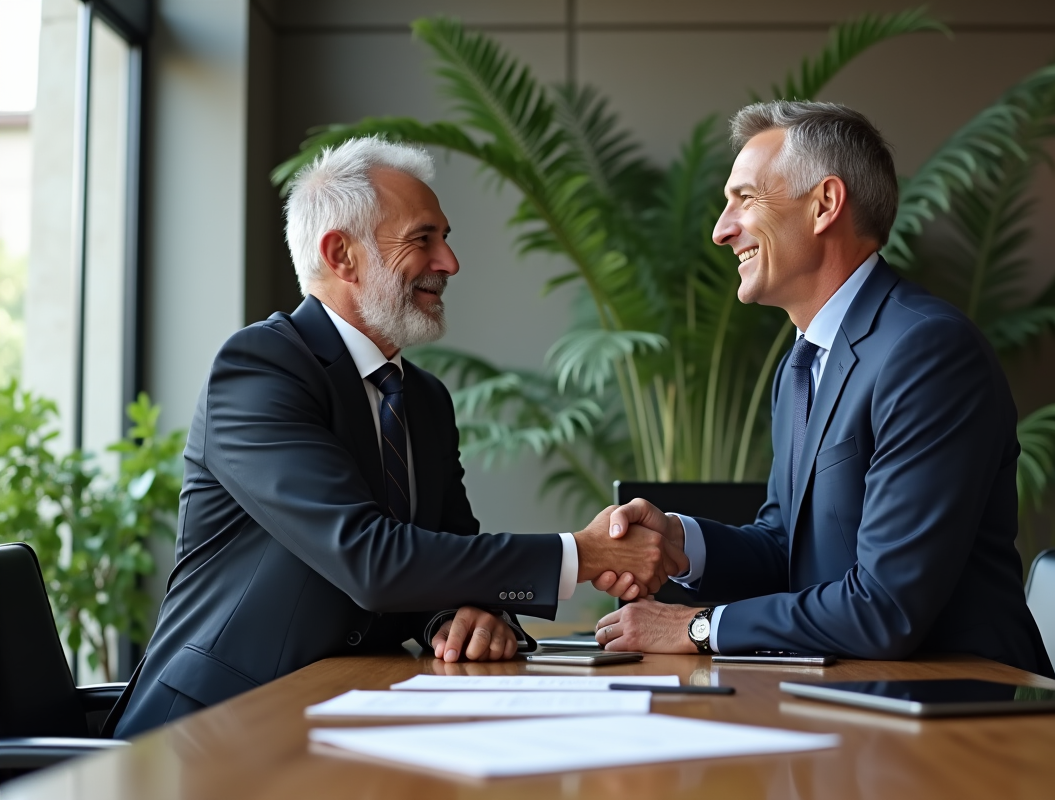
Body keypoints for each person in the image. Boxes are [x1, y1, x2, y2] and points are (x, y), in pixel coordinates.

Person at [110, 137, 684, 737]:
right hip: (209, 734)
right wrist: (585, 553)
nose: (450, 262)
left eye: (447, 238)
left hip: (347, 717)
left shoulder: (425, 398)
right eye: (423, 239)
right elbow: (368, 557)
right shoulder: (260, 368)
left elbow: (450, 549)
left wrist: (469, 615)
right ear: (342, 255)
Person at [590, 101, 1054, 677]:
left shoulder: (928, 351)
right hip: (851, 699)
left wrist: (698, 627)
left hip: (966, 709)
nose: (720, 230)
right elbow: (789, 547)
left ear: (825, 205)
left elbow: (885, 608)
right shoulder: (801, 366)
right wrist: (682, 541)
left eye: (745, 199)